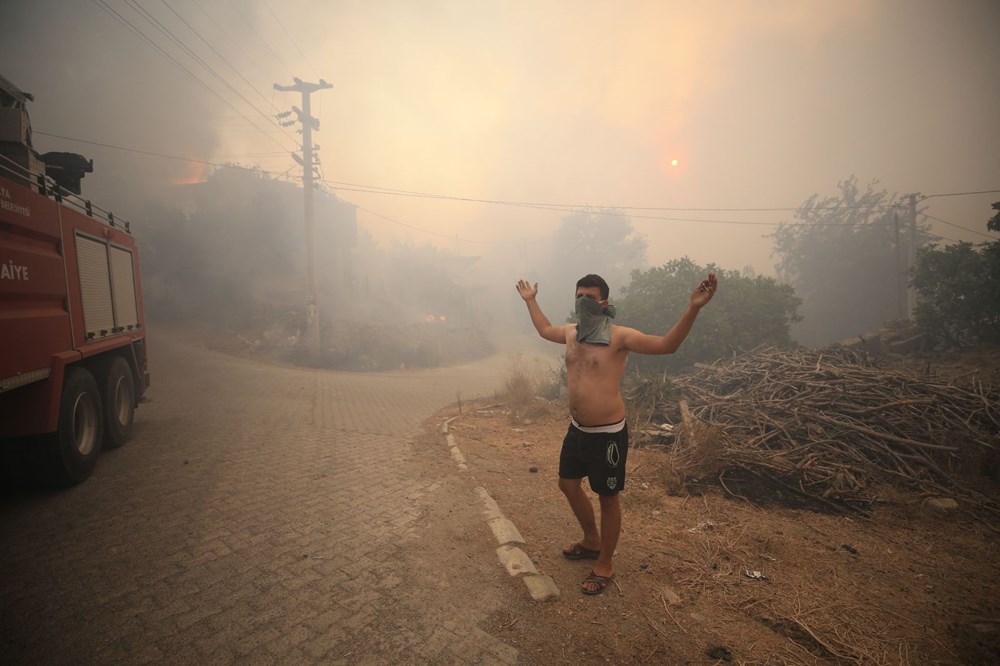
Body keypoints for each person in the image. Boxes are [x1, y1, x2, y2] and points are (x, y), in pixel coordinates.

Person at [515, 271, 717, 595]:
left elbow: (667, 345)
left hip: (607, 434)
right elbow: (544, 329)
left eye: (590, 297)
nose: (583, 301)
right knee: (567, 485)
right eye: (579, 296)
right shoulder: (571, 333)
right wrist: (531, 301)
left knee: (608, 498)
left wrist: (694, 306)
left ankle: (605, 563)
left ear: (604, 302)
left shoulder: (619, 337)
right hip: (577, 429)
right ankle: (591, 540)